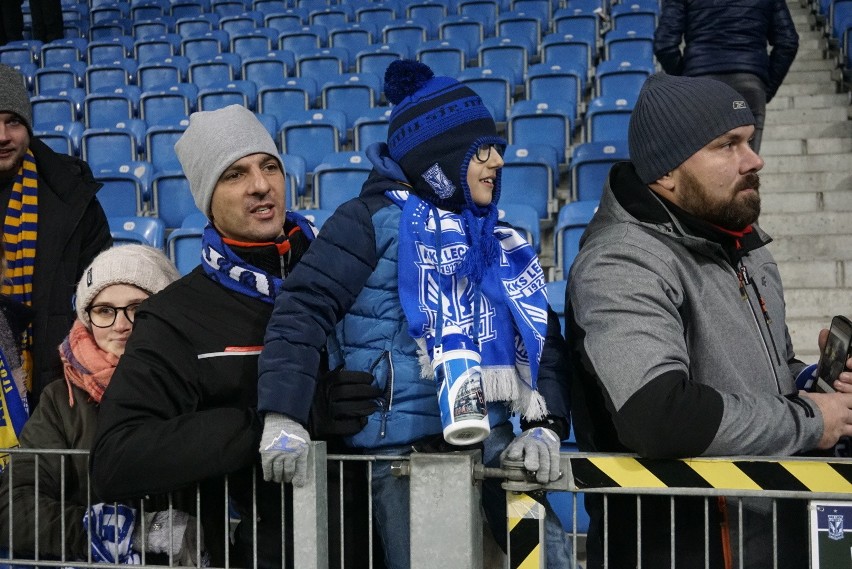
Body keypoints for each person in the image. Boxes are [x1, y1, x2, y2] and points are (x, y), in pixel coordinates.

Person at [257, 60, 572, 569]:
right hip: (399, 456)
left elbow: (541, 336)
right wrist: (283, 414)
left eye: (497, 149)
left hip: (491, 441)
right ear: (439, 161)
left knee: (552, 559)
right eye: (480, 151)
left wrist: (546, 426)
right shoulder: (367, 221)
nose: (497, 161)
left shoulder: (495, 238)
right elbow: (303, 308)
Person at [567, 72, 852, 569]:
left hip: (769, 535)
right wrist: (811, 422)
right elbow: (657, 413)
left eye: (749, 141)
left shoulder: (741, 240)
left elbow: (762, 372)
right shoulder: (621, 262)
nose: (754, 159)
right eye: (727, 145)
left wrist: (811, 381)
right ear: (666, 172)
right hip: (684, 548)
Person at [88, 105, 372, 569]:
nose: (261, 185)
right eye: (234, 174)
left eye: (270, 166)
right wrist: (280, 418)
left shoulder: (351, 274)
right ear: (207, 197)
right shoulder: (175, 316)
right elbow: (119, 459)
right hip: (260, 552)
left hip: (372, 546)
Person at [0, 245, 206, 566]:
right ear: (87, 317)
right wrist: (128, 533)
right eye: (104, 310)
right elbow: (14, 509)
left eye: (138, 308)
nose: (120, 325)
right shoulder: (60, 400)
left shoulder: (207, 386)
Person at [0, 63, 111, 407]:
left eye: (13, 121)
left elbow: (102, 293)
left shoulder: (74, 196)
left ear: (29, 127)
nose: (2, 135)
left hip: (56, 385)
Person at [653, 0, 799, 152]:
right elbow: (788, 42)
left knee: (703, 168)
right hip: (749, 85)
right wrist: (765, 87)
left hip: (699, 88)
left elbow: (664, 45)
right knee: (745, 169)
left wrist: (687, 81)